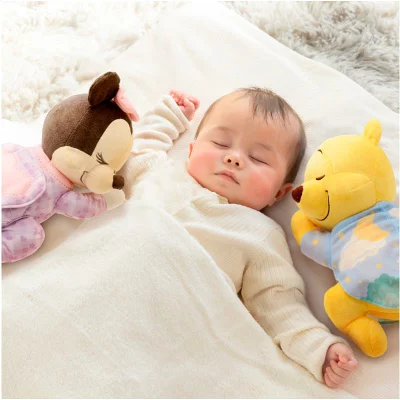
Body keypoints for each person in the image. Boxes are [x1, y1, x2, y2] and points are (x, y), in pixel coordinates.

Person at [120, 87, 358, 388]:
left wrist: (319, 348)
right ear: (191, 151)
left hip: (165, 323)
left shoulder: (259, 233)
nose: (234, 158)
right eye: (220, 143)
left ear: (279, 193)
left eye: (258, 158)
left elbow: (279, 303)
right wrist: (171, 115)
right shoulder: (162, 174)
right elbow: (135, 152)